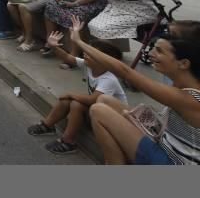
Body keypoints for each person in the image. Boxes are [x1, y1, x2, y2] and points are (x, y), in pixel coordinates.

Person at [79, 18, 200, 165]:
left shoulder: (189, 97)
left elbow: (125, 72)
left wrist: (78, 41)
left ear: (184, 62)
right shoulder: (181, 81)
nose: (151, 54)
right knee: (105, 101)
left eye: (160, 51)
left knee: (98, 111)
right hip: (164, 141)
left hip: (173, 162)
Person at [27, 28, 127, 155]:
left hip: (111, 120)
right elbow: (68, 58)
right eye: (87, 51)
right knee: (67, 101)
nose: (85, 54)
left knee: (75, 103)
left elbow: (93, 99)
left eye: (91, 53)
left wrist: (70, 94)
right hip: (97, 110)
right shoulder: (89, 65)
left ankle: (69, 141)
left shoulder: (109, 79)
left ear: (104, 61)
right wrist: (54, 47)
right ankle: (47, 125)